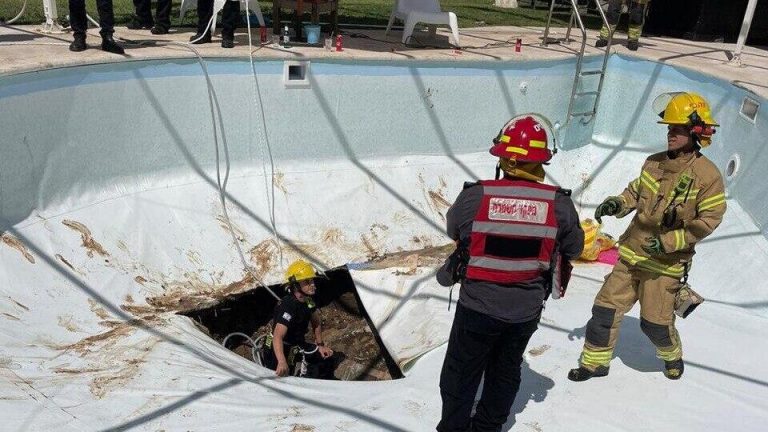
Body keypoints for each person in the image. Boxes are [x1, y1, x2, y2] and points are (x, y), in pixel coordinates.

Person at [436, 114, 584, 432]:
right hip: (524, 311)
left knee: (460, 373)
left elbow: (455, 230)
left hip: (476, 308)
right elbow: (574, 249)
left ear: (504, 158)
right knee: (505, 370)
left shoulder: (475, 197)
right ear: (541, 160)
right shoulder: (559, 206)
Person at [568, 92, 726, 382]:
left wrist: (667, 242)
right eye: (669, 129)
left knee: (655, 324)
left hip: (664, 264)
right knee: (604, 311)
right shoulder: (653, 163)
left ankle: (671, 355)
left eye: (677, 130)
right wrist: (618, 203)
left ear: (696, 133)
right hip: (631, 253)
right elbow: (636, 192)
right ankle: (594, 364)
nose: (670, 134)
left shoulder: (708, 176)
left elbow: (709, 221)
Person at [263, 259, 337, 378]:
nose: (312, 284)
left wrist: (320, 345)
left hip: (296, 345)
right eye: (307, 282)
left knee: (325, 359)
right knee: (283, 376)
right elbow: (278, 336)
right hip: (277, 349)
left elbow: (316, 323)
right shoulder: (288, 306)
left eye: (312, 280)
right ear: (296, 285)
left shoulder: (308, 302)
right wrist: (281, 361)